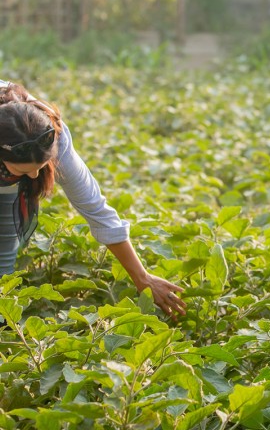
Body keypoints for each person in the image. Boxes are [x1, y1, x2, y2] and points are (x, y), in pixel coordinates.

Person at [0, 80, 186, 318]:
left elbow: (97, 210)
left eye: (41, 167)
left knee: (3, 255)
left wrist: (143, 277)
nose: (35, 176)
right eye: (25, 171)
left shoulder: (54, 139)